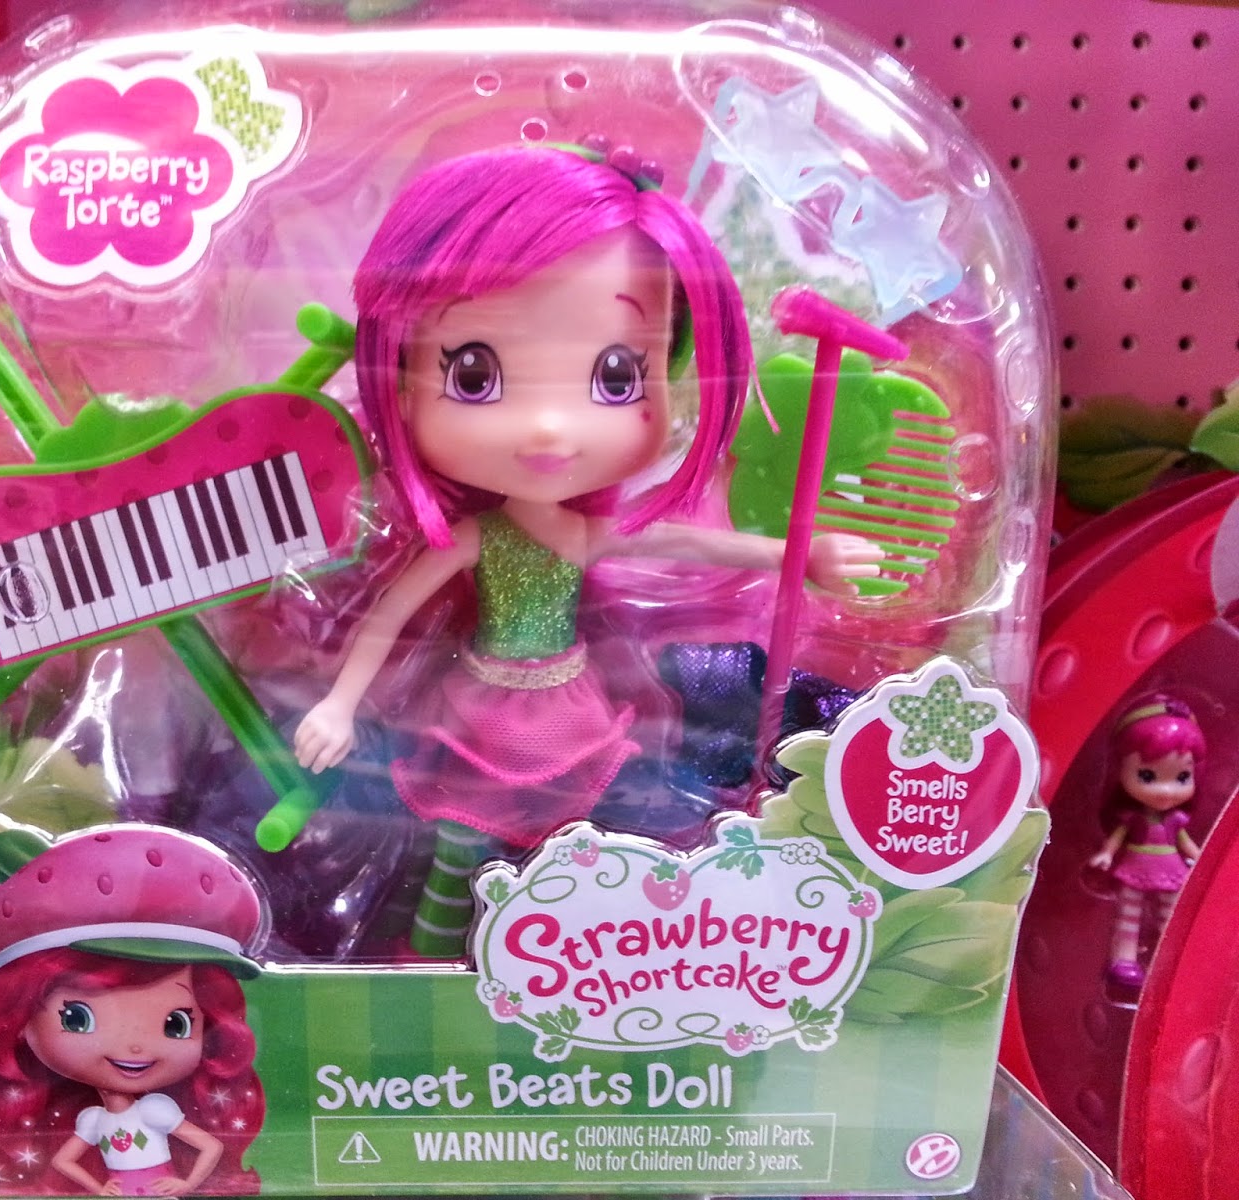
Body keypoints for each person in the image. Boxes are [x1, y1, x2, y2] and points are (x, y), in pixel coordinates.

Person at [292, 142, 880, 955]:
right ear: (402, 374)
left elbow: (686, 542)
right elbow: (389, 614)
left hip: (566, 709)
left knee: (565, 842)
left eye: (615, 376)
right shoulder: (480, 537)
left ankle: (551, 961)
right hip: (483, 708)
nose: (547, 428)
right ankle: (428, 960)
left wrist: (797, 555)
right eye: (473, 375)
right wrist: (338, 703)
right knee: (458, 840)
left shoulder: (579, 533)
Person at [0, 828, 264, 1195]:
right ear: (18, 1020)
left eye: (176, 1024)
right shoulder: (92, 1120)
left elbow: (210, 1146)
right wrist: (98, 1187)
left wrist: (186, 1184)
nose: (135, 1047)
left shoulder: (156, 1110)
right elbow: (64, 1162)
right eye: (77, 1018)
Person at [1089, 696, 1206, 990]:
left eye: (1182, 777)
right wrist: (1106, 854)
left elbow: (1186, 844)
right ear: (1121, 769)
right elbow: (1116, 839)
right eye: (1147, 776)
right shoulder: (1132, 818)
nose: (1165, 791)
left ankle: (1172, 960)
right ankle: (1124, 960)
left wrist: (1203, 861)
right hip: (1135, 867)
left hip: (1170, 870)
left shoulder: (1175, 821)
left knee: (1172, 916)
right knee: (1129, 914)